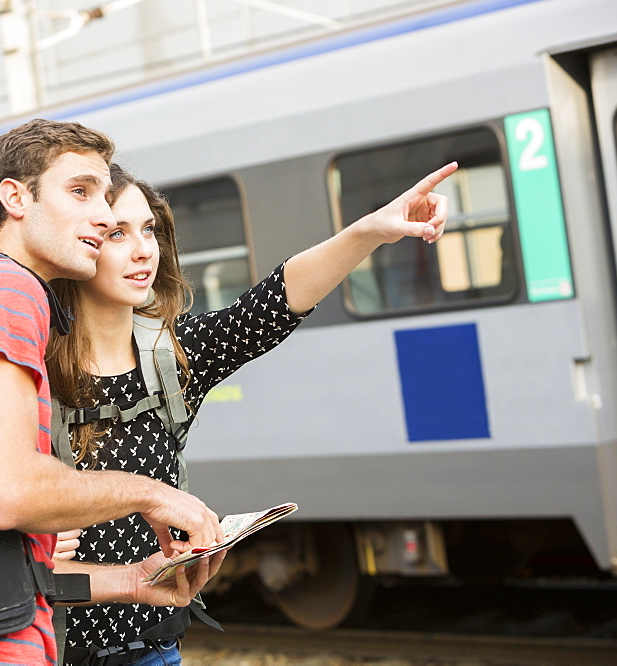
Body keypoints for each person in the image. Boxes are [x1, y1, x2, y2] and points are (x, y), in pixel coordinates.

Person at [48, 160, 459, 664]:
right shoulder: (30, 367)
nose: (144, 250)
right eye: (116, 234)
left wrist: (370, 230)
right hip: (46, 651)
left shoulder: (173, 359)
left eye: (149, 230)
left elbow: (272, 305)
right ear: (81, 245)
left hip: (151, 649)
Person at [0, 119, 226, 666]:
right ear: (15, 197)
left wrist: (130, 579)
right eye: (79, 191)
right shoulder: (5, 290)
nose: (101, 213)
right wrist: (154, 494)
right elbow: (11, 492)